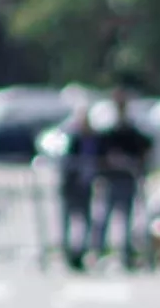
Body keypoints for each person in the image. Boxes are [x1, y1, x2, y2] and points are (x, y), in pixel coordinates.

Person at [91, 88, 152, 268]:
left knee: (127, 219)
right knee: (104, 217)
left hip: (127, 179)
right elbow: (100, 152)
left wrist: (135, 164)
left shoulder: (132, 129)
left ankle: (127, 254)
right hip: (111, 179)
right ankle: (99, 251)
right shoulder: (108, 128)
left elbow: (145, 146)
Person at [59, 106, 99, 269]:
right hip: (72, 188)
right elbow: (67, 162)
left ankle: (82, 252)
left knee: (86, 222)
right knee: (69, 221)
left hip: (86, 188)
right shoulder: (72, 139)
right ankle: (69, 252)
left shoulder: (94, 139)